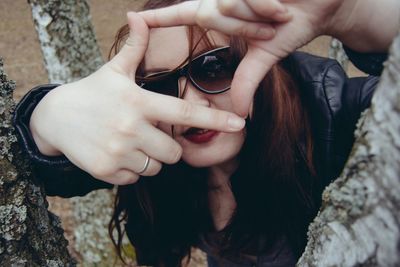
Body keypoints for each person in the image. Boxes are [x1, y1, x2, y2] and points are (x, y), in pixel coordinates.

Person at [13, 0, 398, 266]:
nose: (188, 102)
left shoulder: (335, 115)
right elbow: (46, 170)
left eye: (213, 66)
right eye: (159, 85)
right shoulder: (161, 150)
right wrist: (46, 116)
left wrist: (358, 16)